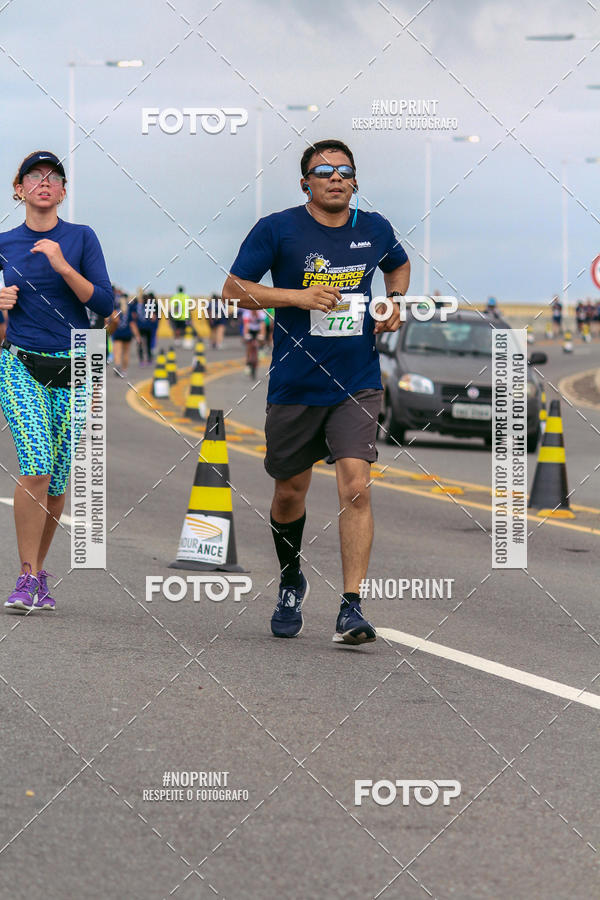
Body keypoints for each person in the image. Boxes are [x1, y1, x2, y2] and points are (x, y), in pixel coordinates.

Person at [222, 138, 410, 644]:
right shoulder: (278, 229)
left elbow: (398, 264)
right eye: (322, 171)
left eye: (343, 170)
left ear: (354, 180)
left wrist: (393, 301)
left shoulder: (375, 228)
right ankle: (290, 580)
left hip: (357, 382)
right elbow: (234, 289)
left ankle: (352, 606)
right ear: (305, 182)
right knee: (289, 493)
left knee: (356, 488)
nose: (334, 177)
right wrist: (297, 296)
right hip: (295, 383)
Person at [0, 150, 112, 613]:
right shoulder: (3, 243)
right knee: (37, 466)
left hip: (79, 365)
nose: (44, 182)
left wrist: (64, 266)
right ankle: (26, 576)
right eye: (34, 176)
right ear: (19, 188)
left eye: (54, 177)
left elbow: (104, 304)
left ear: (63, 191)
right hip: (21, 363)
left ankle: (38, 573)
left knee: (60, 480)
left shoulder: (82, 238)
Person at [108, 287, 141, 377]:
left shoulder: (116, 308)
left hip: (118, 332)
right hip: (127, 333)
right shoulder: (129, 309)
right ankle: (124, 370)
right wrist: (137, 336)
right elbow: (132, 323)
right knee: (126, 352)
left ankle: (118, 366)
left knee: (117, 352)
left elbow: (111, 320)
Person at [242, 307, 266, 377]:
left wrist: (262, 336)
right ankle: (247, 363)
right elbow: (245, 326)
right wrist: (245, 335)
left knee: (261, 339)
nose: (254, 311)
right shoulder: (246, 314)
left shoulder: (261, 314)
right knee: (249, 346)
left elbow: (263, 326)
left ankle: (261, 348)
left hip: (258, 330)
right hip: (250, 330)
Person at [137, 290, 158, 365]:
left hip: (139, 327)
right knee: (148, 344)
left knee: (140, 344)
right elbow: (153, 317)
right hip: (148, 327)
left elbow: (134, 317)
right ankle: (149, 359)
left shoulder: (138, 306)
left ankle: (141, 360)